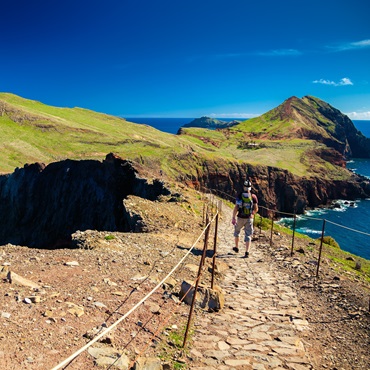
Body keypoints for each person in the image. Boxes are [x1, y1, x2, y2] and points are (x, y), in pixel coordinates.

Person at [231, 180, 258, 258]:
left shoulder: (239, 195)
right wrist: (252, 214)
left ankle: (236, 247)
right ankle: (247, 251)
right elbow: (256, 208)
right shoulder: (253, 197)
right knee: (248, 235)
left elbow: (236, 207)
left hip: (240, 217)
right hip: (249, 218)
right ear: (250, 187)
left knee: (237, 232)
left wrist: (233, 217)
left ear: (244, 187)